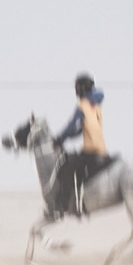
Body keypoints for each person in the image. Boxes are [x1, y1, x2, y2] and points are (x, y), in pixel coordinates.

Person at [46, 74, 110, 216]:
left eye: (76, 87)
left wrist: (59, 138)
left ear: (82, 88)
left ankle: (63, 206)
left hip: (90, 149)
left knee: (65, 169)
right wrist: (66, 137)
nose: (75, 90)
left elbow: (71, 127)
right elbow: (80, 130)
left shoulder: (83, 104)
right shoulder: (96, 104)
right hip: (100, 147)